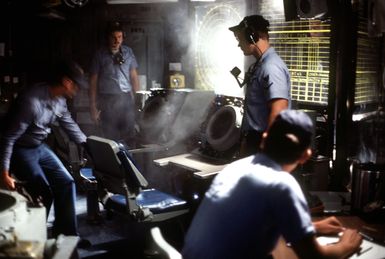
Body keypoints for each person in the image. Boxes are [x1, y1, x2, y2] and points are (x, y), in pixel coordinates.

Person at [182, 110, 362, 259]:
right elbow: (314, 257)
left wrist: (312, 227)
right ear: (306, 155)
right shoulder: (282, 184)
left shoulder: (234, 168)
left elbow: (251, 223)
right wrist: (346, 245)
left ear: (264, 139)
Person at [0, 60, 87, 238]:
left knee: (66, 182)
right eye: (76, 85)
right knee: (43, 192)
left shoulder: (60, 100)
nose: (77, 90)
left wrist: (88, 145)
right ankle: (34, 240)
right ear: (66, 82)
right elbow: (8, 138)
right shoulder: (31, 102)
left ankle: (66, 236)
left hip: (39, 147)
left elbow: (69, 124)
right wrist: (4, 173)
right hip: (20, 149)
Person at [229, 15, 291, 157]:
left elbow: (279, 111)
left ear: (252, 36)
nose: (239, 44)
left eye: (239, 39)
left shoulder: (271, 67)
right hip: (254, 141)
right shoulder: (260, 65)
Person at [89, 21, 140, 147]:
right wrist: (93, 107)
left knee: (129, 134)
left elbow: (134, 77)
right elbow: (93, 81)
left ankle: (129, 164)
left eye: (120, 37)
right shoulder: (99, 55)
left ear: (123, 37)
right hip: (107, 100)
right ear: (107, 38)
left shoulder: (128, 52)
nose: (117, 41)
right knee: (110, 137)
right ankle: (114, 165)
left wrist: (139, 101)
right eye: (113, 37)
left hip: (126, 98)